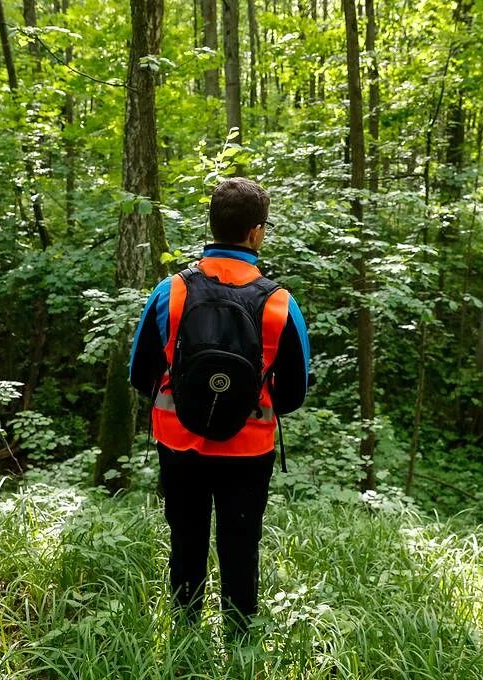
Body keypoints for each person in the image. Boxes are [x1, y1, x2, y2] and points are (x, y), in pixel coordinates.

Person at [128, 177, 311, 639]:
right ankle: (240, 640)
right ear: (256, 232)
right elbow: (292, 395)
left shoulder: (171, 290)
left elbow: (139, 374)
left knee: (185, 539)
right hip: (248, 453)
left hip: (178, 443)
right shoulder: (279, 303)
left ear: (211, 224)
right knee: (240, 543)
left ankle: (184, 633)